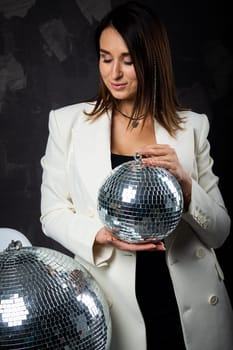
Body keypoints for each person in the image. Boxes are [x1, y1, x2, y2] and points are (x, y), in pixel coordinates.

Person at [40, 1, 233, 349]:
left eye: (128, 61)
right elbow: (52, 213)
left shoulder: (192, 127)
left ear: (152, 61)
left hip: (188, 299)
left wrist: (187, 186)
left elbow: (219, 232)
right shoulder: (66, 123)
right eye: (105, 57)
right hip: (112, 299)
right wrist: (102, 235)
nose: (114, 73)